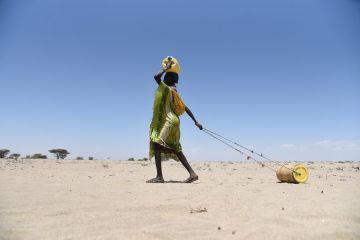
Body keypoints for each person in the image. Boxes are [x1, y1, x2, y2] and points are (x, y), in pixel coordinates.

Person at [147, 57, 202, 183]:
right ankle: (192, 173)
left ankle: (159, 176)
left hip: (169, 121)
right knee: (170, 146)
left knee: (156, 145)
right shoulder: (174, 91)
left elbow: (155, 77)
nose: (164, 77)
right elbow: (185, 107)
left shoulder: (166, 89)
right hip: (175, 121)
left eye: (167, 75)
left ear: (168, 79)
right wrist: (196, 121)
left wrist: (166, 67)